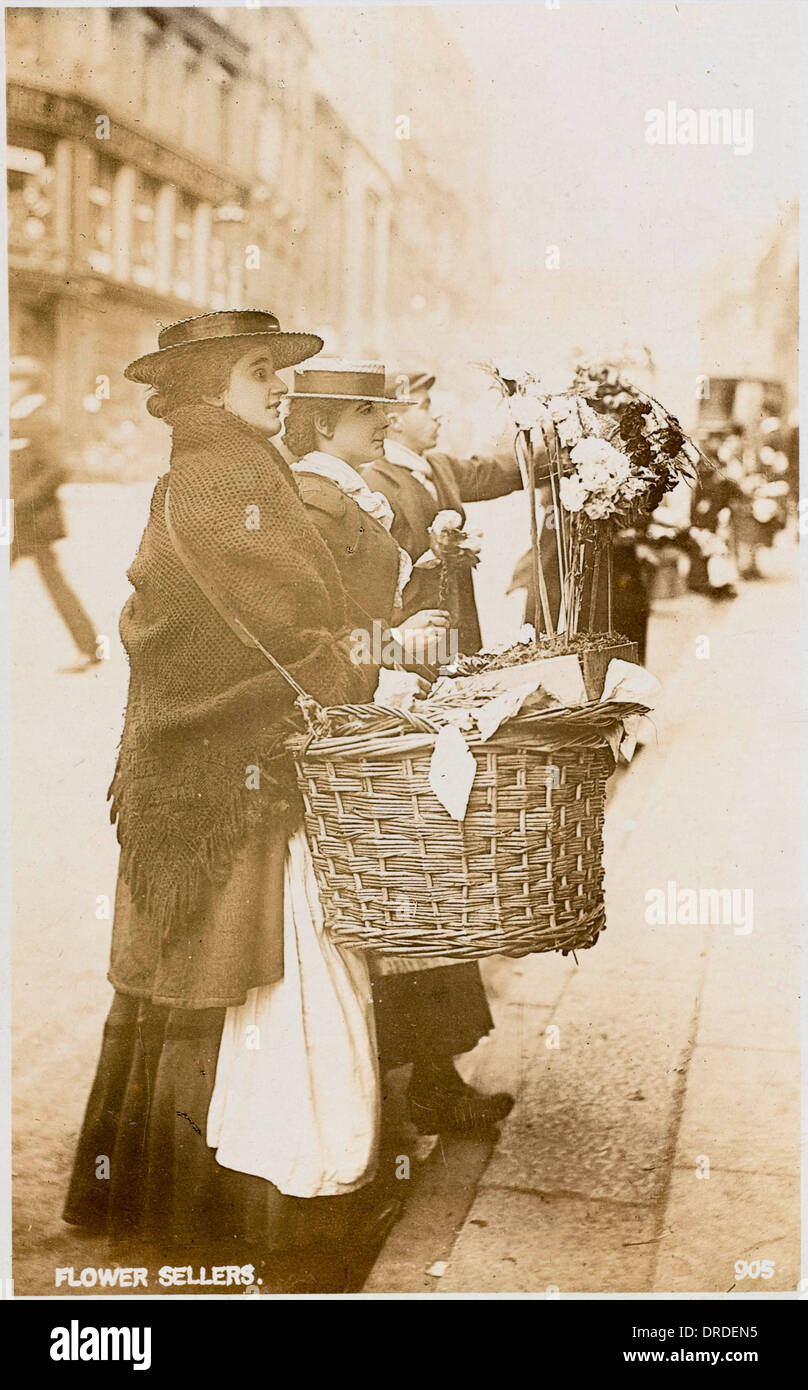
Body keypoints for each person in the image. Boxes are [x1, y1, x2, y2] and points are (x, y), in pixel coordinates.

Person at [63, 312, 392, 1286]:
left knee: (187, 978)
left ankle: (144, 1194)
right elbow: (283, 626)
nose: (279, 387)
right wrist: (359, 674)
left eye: (280, 372)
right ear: (208, 385)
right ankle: (221, 1214)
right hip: (225, 781)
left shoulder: (208, 468)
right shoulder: (229, 477)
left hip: (185, 774)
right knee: (239, 977)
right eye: (261, 372)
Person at [283, 361, 514, 1133]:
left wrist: (425, 571)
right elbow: (308, 636)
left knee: (416, 903)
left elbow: (365, 601)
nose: (388, 422)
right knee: (398, 908)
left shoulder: (348, 490)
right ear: (323, 426)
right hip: (355, 721)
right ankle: (407, 1092)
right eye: (370, 413)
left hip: (383, 706)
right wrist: (394, 643)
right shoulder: (315, 501)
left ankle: (428, 1081)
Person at [361, 371, 523, 654]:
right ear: (395, 421)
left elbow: (494, 473)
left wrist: (564, 451)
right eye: (424, 406)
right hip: (418, 632)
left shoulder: (437, 466)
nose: (437, 416)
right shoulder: (374, 482)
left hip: (461, 623)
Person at [9, 356, 101, 671]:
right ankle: (89, 647)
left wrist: (21, 501)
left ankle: (90, 648)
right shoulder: (17, 416)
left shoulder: (37, 418)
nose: (6, 387)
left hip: (30, 519)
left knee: (54, 582)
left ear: (26, 385)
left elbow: (57, 468)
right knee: (54, 581)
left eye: (12, 381)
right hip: (17, 518)